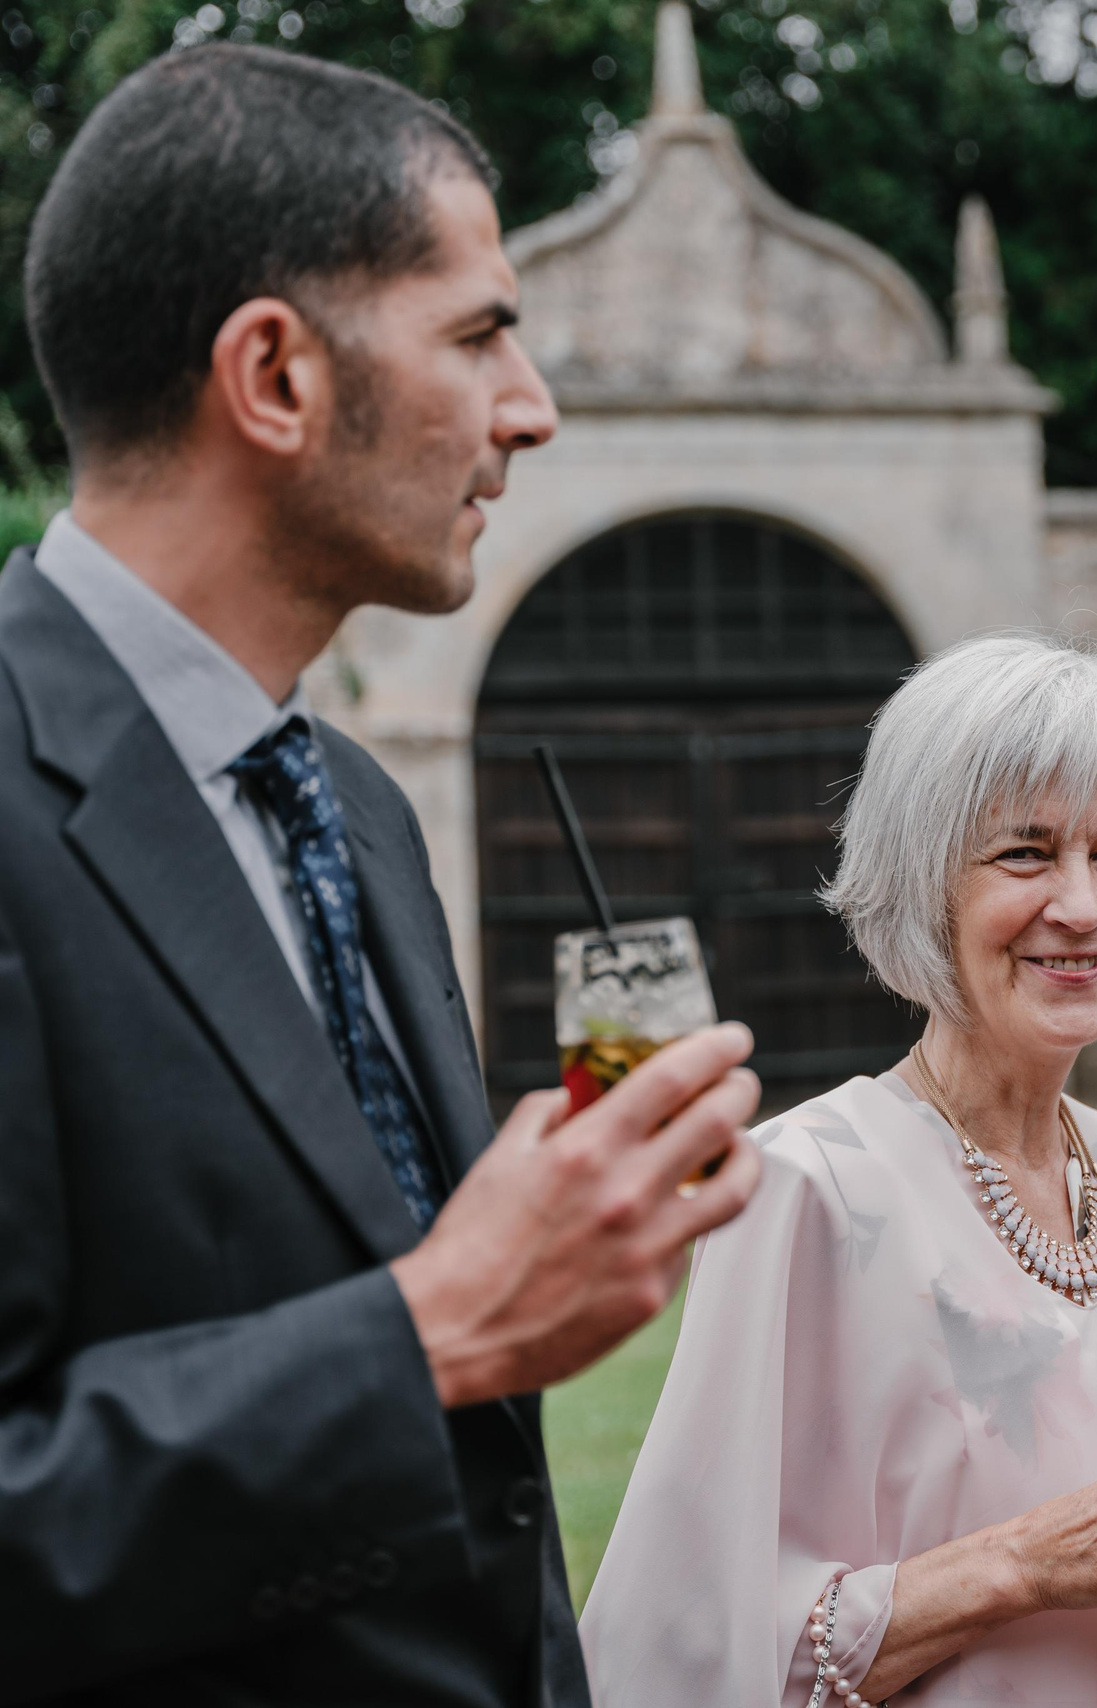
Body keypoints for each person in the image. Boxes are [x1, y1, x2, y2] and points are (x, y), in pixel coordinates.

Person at [0, 47, 765, 1704]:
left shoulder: (354, 807)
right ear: (275, 375)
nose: (532, 407)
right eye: (480, 335)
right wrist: (437, 1331)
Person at [580, 634, 1097, 1708]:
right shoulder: (806, 1186)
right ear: (926, 883)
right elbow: (685, 1650)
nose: (1082, 905)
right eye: (1024, 854)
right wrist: (1025, 1563)